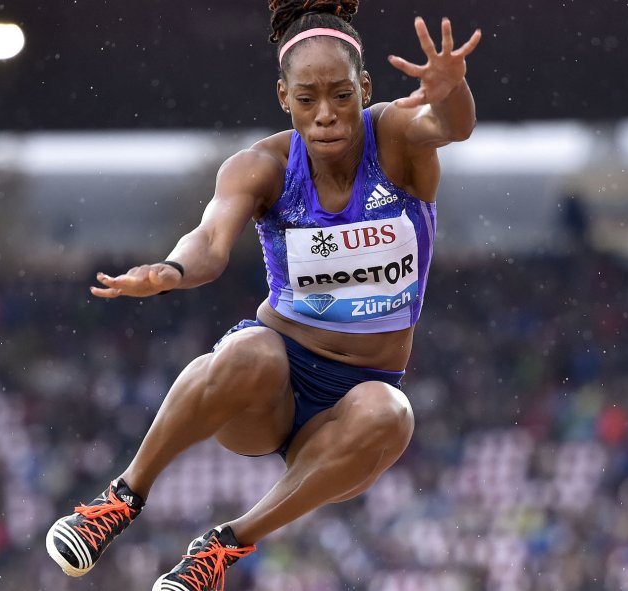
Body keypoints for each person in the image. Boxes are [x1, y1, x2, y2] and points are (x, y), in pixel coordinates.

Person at [46, 1, 482, 590]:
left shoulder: (397, 138)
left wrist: (452, 90)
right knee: (251, 349)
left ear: (366, 88)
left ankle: (223, 548)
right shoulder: (263, 166)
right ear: (284, 97)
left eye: (341, 96)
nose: (325, 116)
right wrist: (172, 271)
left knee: (392, 413)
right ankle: (120, 499)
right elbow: (210, 240)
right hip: (269, 391)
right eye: (307, 100)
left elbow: (451, 126)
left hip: (350, 416)